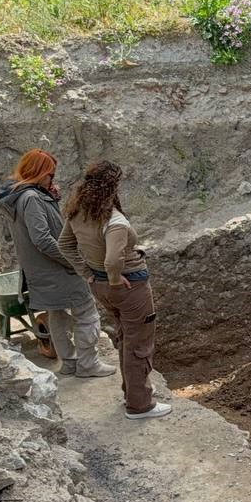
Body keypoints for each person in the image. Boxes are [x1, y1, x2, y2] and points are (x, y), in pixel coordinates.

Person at [57, 160, 171, 420]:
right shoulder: (114, 221)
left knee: (126, 339)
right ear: (112, 187)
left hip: (100, 286)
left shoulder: (78, 212)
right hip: (129, 287)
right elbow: (112, 259)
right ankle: (140, 405)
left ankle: (131, 393)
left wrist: (88, 273)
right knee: (138, 344)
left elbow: (65, 245)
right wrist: (114, 277)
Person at [0, 149, 114, 379]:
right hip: (57, 269)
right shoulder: (31, 199)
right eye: (50, 174)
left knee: (57, 315)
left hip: (40, 271)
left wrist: (50, 197)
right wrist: (73, 260)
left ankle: (69, 363)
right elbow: (42, 238)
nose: (53, 178)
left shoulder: (22, 196)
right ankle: (88, 364)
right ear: (38, 173)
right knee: (87, 313)